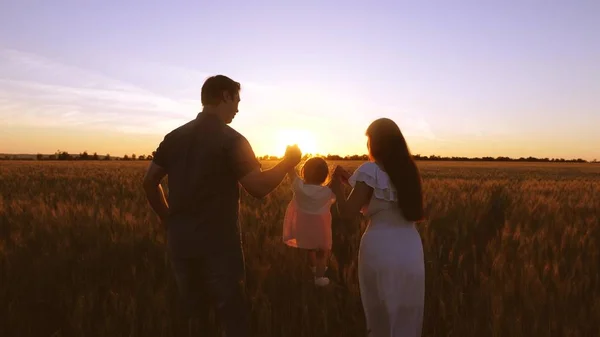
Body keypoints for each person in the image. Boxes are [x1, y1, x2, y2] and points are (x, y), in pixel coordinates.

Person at [142, 74, 302, 337]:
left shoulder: (173, 137)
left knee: (194, 316)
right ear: (224, 96)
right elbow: (258, 187)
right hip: (219, 246)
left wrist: (168, 219)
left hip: (180, 242)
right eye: (236, 100)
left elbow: (150, 182)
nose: (238, 108)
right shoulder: (232, 140)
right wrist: (287, 162)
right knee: (232, 318)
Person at [330, 117, 426, 337]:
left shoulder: (370, 170)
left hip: (381, 248)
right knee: (407, 312)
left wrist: (337, 188)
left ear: (376, 143)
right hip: (410, 248)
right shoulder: (408, 172)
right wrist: (351, 182)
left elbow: (347, 213)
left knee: (380, 314)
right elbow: (385, 196)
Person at [282, 157, 336, 286]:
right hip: (320, 227)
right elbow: (334, 193)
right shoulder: (327, 191)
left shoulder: (299, 187)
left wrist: (290, 157)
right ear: (325, 176)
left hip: (303, 226)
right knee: (322, 253)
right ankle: (319, 277)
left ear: (304, 172)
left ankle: (313, 268)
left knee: (310, 248)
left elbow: (291, 172)